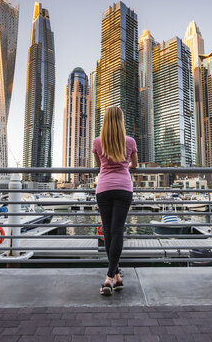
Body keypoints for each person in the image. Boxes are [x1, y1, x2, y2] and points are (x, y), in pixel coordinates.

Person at [92, 106, 138, 296]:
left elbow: (99, 165)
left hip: (103, 189)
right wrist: (124, 164)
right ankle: (114, 276)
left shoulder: (97, 142)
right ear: (121, 121)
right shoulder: (129, 141)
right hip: (123, 188)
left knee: (108, 230)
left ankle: (110, 277)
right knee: (117, 231)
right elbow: (134, 165)